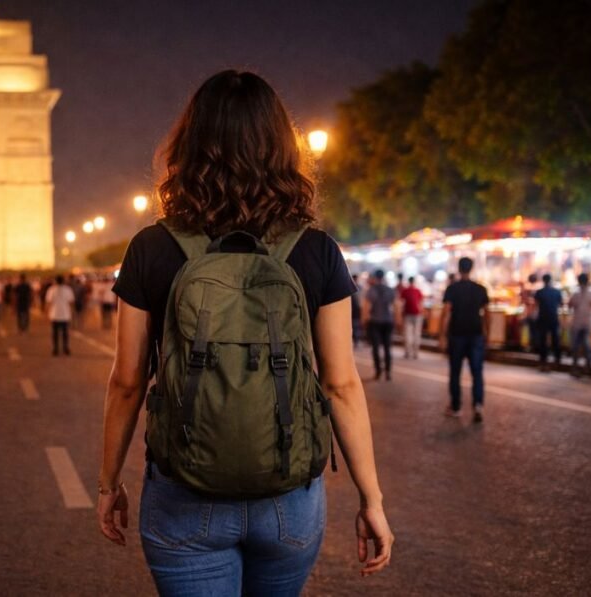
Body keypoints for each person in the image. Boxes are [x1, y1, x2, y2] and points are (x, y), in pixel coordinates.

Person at [97, 71, 392, 594]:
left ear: (187, 146)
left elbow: (125, 381)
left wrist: (108, 483)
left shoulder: (153, 247)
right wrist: (372, 499)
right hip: (289, 499)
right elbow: (341, 385)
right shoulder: (316, 250)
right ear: (284, 147)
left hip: (184, 492)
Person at [439, 257, 490, 422]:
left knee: (455, 372)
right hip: (476, 334)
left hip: (457, 335)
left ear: (459, 269)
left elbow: (446, 312)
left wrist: (441, 336)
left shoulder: (452, 289)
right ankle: (478, 405)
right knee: (477, 372)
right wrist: (486, 332)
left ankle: (456, 406)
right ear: (472, 268)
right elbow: (487, 313)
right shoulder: (480, 289)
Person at [363, 269, 395, 380]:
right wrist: (398, 321)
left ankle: (378, 371)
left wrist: (364, 320)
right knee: (387, 347)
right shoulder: (390, 290)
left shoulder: (371, 290)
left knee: (376, 348)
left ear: (375, 277)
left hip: (375, 321)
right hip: (388, 321)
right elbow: (396, 306)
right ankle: (388, 372)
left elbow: (366, 307)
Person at [568, 273, 591, 378]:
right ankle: (586, 366)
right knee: (585, 343)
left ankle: (577, 367)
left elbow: (569, 305)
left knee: (577, 345)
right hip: (587, 322)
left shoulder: (576, 293)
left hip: (578, 323)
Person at [534, 274, 563, 372]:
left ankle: (543, 362)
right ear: (551, 280)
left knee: (543, 341)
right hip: (553, 318)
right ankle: (557, 360)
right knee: (555, 339)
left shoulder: (539, 292)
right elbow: (561, 304)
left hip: (543, 318)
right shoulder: (557, 292)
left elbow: (536, 304)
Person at [45, 275, 75, 356]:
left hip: (54, 314)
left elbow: (48, 302)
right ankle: (65, 349)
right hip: (65, 315)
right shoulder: (68, 289)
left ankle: (55, 349)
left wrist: (47, 313)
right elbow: (71, 302)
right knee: (65, 334)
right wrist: (71, 312)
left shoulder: (51, 290)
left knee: (55, 334)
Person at [400, 276, 424, 359]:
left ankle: (408, 352)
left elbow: (402, 303)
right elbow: (421, 303)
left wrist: (401, 314)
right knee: (417, 333)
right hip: (417, 314)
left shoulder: (405, 291)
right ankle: (415, 353)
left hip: (407, 314)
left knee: (408, 334)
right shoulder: (418, 291)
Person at [351, 274, 363, 347]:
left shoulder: (351, 287)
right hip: (356, 309)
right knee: (356, 325)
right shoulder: (359, 287)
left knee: (355, 325)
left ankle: (356, 340)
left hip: (354, 309)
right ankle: (356, 340)